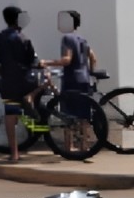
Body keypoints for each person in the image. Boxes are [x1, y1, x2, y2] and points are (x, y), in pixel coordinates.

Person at [0, 5, 40, 163]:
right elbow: (34, 62)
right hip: (26, 81)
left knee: (10, 114)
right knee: (38, 92)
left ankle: (14, 154)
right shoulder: (24, 38)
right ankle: (31, 103)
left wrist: (2, 72)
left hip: (8, 83)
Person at [41, 10, 99, 148]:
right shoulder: (82, 39)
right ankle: (85, 146)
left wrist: (46, 62)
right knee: (83, 115)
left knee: (67, 114)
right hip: (84, 79)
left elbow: (67, 60)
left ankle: (68, 147)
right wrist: (90, 71)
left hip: (71, 79)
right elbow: (93, 57)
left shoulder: (67, 38)